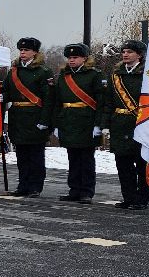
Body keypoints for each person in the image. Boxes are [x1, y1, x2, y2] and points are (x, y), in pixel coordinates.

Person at [45, 42, 108, 203]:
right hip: (68, 121)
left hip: (87, 122)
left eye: (75, 57)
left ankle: (86, 191)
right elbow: (57, 102)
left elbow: (101, 102)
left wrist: (98, 125)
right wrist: (57, 124)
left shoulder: (95, 75)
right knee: (72, 158)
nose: (72, 60)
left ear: (85, 58)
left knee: (86, 159)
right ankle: (74, 189)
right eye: (70, 57)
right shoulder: (64, 77)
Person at [104, 40, 149, 210]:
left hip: (141, 124)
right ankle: (128, 197)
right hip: (120, 124)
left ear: (139, 55)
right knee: (123, 164)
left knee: (142, 164)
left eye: (130, 51)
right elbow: (108, 101)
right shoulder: (116, 74)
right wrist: (106, 124)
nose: (125, 54)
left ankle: (141, 199)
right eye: (123, 51)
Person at [2, 36, 52, 197]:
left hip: (35, 117)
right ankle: (23, 185)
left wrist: (45, 121)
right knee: (21, 155)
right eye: (21, 50)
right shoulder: (14, 71)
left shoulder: (43, 72)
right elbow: (8, 92)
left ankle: (35, 186)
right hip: (18, 118)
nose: (23, 53)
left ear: (35, 53)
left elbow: (48, 98)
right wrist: (3, 96)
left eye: (27, 50)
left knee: (36, 156)